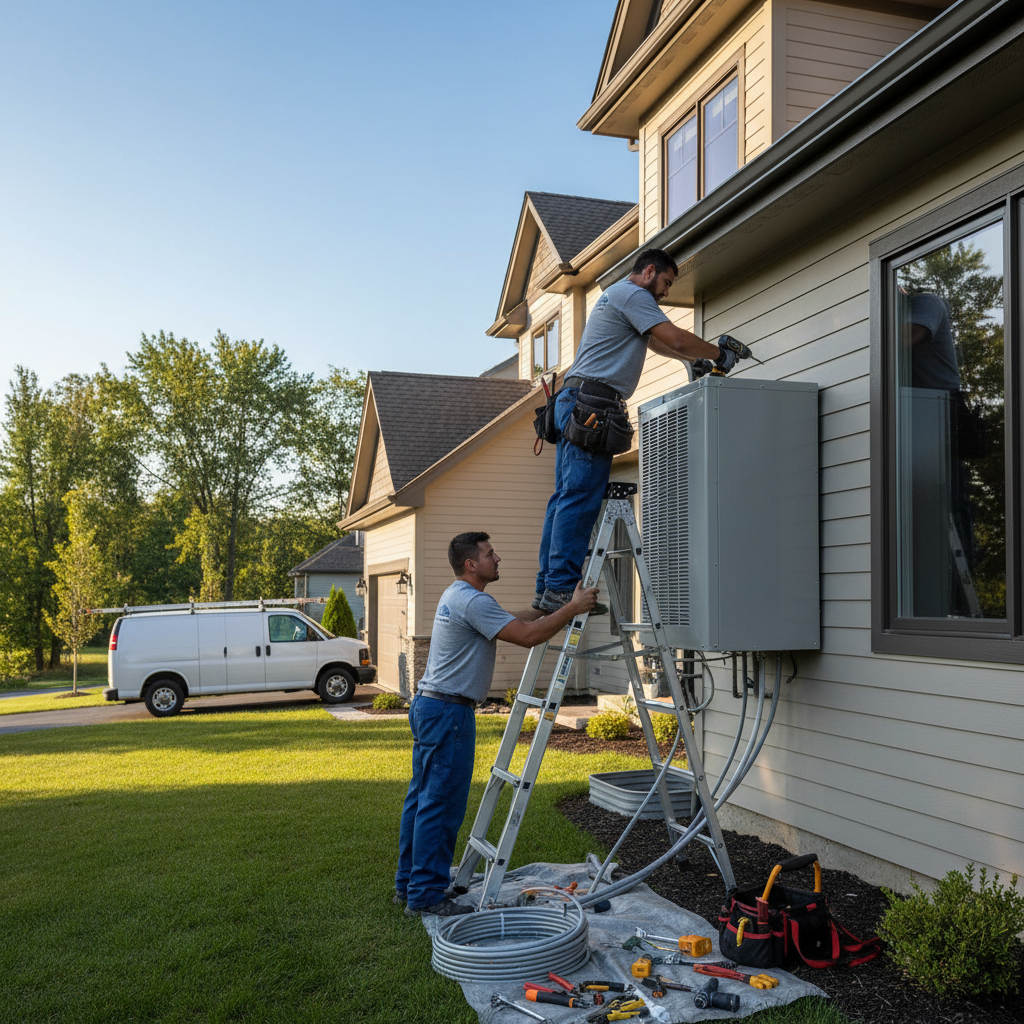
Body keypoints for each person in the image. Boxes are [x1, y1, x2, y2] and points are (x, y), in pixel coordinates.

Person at [395, 531, 599, 917]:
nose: (498, 558)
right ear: (471, 564)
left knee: (421, 800)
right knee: (440, 805)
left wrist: (543, 610)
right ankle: (424, 895)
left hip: (431, 707)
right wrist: (571, 609)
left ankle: (409, 885)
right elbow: (526, 637)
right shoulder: (473, 600)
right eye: (490, 554)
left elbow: (512, 621)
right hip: (448, 714)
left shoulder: (458, 595)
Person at [534, 248, 745, 612]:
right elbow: (676, 337)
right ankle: (562, 589)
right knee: (580, 498)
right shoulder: (634, 294)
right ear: (649, 272)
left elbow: (660, 344)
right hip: (591, 405)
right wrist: (717, 353)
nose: (665, 292)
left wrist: (693, 361)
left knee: (565, 497)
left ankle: (549, 587)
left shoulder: (619, 299)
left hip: (578, 401)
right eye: (666, 283)